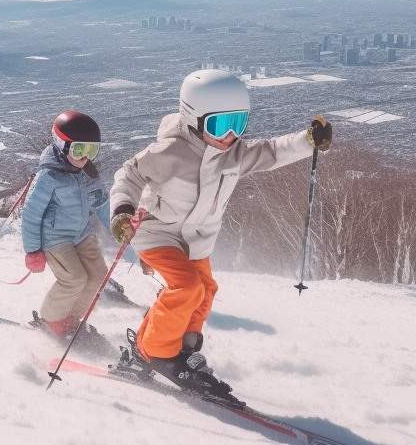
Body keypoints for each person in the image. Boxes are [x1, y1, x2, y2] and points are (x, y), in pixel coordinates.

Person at [109, 69, 332, 399]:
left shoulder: (234, 154)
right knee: (186, 286)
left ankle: (180, 348)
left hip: (197, 240)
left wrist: (307, 141)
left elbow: (272, 151)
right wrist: (122, 210)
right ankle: (156, 351)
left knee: (206, 290)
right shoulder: (169, 152)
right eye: (218, 125)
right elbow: (128, 174)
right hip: (158, 233)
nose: (229, 135)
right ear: (193, 119)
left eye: (238, 124)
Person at [21, 110, 112, 351]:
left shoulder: (88, 174)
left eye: (91, 151)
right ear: (61, 145)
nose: (85, 157)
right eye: (78, 150)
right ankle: (51, 320)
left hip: (81, 233)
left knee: (97, 275)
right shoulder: (48, 177)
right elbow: (30, 215)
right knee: (74, 278)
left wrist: (119, 227)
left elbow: (101, 203)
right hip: (55, 238)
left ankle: (70, 318)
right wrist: (32, 251)